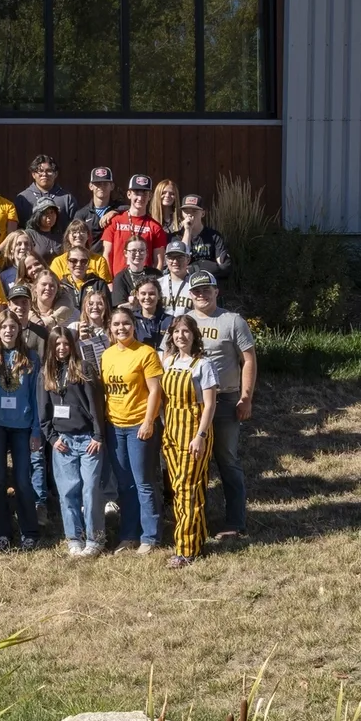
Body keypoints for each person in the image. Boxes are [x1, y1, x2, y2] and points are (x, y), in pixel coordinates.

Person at [188, 272, 255, 539]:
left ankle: (235, 522)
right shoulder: (184, 322)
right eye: (196, 291)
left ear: (216, 291)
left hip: (226, 399)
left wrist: (246, 397)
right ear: (190, 295)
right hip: (192, 402)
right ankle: (196, 519)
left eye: (206, 289)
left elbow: (248, 359)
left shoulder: (232, 321)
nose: (201, 294)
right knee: (194, 461)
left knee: (227, 460)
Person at [101, 306, 165, 554]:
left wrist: (149, 422)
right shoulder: (107, 355)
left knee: (144, 482)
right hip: (115, 426)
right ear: (110, 328)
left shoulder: (146, 353)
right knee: (125, 484)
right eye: (116, 324)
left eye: (126, 323)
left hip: (140, 425)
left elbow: (155, 391)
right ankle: (129, 535)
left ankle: (150, 536)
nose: (121, 328)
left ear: (134, 325)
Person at [0, 307, 42, 552]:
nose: (8, 330)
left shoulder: (31, 358)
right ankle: (2, 532)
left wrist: (36, 430)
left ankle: (30, 531)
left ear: (19, 330)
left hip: (22, 427)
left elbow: (37, 397)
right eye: (4, 327)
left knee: (23, 480)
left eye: (13, 327)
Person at [159, 315, 219, 568]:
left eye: (186, 331)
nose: (181, 336)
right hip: (171, 432)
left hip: (194, 432)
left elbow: (210, 404)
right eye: (176, 331)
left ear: (194, 335)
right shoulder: (169, 361)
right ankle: (200, 536)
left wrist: (201, 436)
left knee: (187, 490)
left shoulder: (203, 365)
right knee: (182, 488)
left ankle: (186, 549)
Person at [40, 326, 105, 557]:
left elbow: (96, 404)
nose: (61, 348)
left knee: (90, 490)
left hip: (88, 440)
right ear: (51, 347)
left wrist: (98, 435)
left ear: (72, 345)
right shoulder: (46, 372)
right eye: (57, 344)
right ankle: (74, 538)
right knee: (68, 492)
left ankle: (95, 538)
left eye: (65, 343)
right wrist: (52, 438)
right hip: (63, 442)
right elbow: (44, 410)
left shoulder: (83, 368)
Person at [102, 175, 168, 278]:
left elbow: (159, 261)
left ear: (150, 196)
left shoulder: (155, 227)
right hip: (118, 283)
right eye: (136, 193)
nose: (140, 198)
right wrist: (108, 282)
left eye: (145, 194)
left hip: (144, 285)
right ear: (129, 194)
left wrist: (155, 283)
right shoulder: (114, 222)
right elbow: (107, 254)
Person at [14, 154, 78, 228]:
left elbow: (74, 227)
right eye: (40, 171)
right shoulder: (23, 198)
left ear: (56, 174)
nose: (44, 174)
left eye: (49, 171)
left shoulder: (67, 198)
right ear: (33, 174)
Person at [177, 194, 232, 278]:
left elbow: (224, 266)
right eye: (186, 211)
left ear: (203, 213)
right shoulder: (176, 237)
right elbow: (180, 264)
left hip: (208, 283)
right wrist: (187, 231)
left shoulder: (214, 236)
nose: (189, 215)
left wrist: (195, 268)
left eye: (194, 211)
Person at [50, 218, 112, 284]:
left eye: (82, 232)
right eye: (74, 232)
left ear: (88, 236)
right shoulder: (58, 262)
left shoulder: (99, 261)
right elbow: (54, 285)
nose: (78, 235)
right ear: (68, 236)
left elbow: (104, 285)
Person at [110, 236, 163, 307]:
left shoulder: (156, 274)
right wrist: (132, 304)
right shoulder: (120, 278)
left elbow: (162, 300)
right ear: (126, 253)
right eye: (133, 251)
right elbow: (120, 307)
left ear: (146, 252)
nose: (138, 254)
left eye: (141, 250)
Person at [79, 166, 120, 249]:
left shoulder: (120, 208)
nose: (101, 187)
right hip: (91, 259)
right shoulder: (82, 214)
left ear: (112, 186)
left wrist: (114, 211)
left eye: (105, 184)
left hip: (113, 259)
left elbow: (132, 210)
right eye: (98, 184)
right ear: (91, 186)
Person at [158, 241, 197, 316]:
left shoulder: (195, 283)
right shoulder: (158, 284)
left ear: (188, 259)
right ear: (166, 260)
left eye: (180, 257)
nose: (175, 261)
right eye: (171, 257)